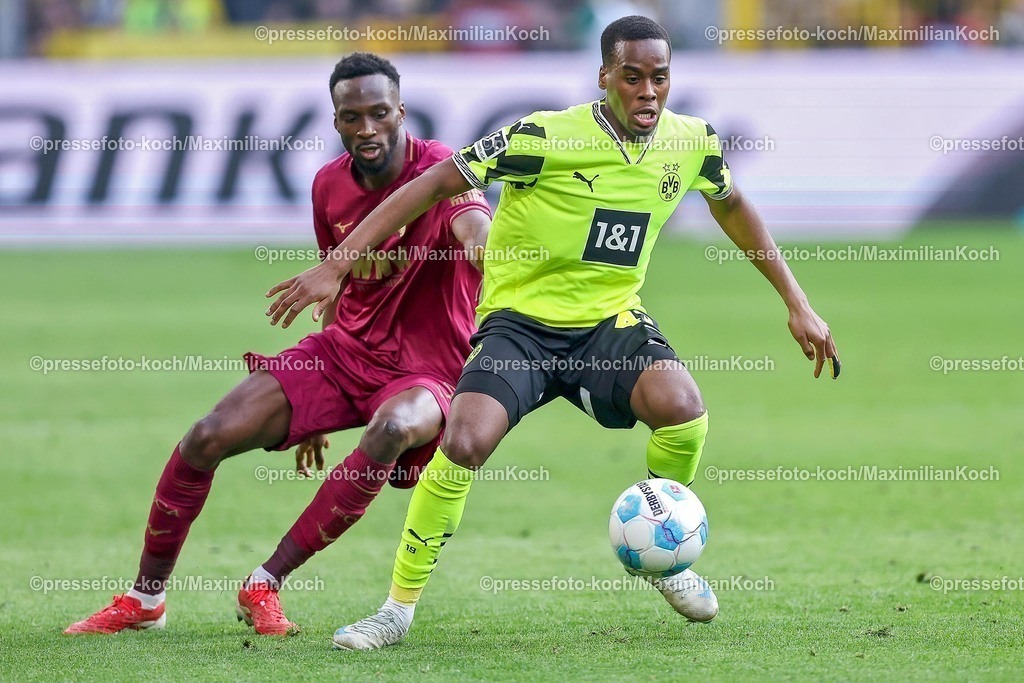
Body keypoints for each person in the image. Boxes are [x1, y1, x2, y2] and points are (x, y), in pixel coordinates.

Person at [265, 16, 841, 651]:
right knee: (463, 443)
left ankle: (667, 553)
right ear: (604, 79)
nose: (648, 91)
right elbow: (432, 184)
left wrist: (797, 302)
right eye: (632, 77)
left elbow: (730, 204)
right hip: (519, 330)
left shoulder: (692, 142)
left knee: (684, 411)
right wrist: (337, 264)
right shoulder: (541, 136)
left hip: (608, 324)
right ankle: (395, 612)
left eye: (660, 78)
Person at [63, 53, 491, 636]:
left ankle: (265, 582)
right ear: (336, 120)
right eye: (352, 117)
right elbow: (337, 288)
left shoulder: (440, 166)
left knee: (391, 430)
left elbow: (472, 223)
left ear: (402, 112)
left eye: (379, 113)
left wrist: (482, 247)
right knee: (206, 435)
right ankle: (145, 600)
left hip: (428, 370)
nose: (367, 129)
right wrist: (312, 410)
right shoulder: (328, 186)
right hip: (344, 353)